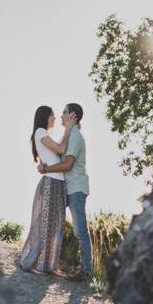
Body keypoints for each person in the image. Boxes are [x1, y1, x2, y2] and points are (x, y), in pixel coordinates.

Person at [38, 103, 92, 282]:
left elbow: (67, 164)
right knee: (57, 226)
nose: (61, 116)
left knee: (80, 231)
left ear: (72, 115)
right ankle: (49, 263)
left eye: (64, 112)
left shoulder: (75, 136)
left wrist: (45, 170)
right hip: (68, 187)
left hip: (76, 187)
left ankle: (85, 271)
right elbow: (58, 153)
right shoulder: (70, 134)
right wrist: (44, 164)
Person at [20, 105, 74, 277]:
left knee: (55, 226)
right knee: (45, 225)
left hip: (58, 183)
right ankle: (34, 263)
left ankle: (50, 265)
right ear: (44, 116)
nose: (55, 118)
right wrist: (68, 130)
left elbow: (57, 153)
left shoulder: (45, 135)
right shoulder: (40, 132)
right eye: (51, 115)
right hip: (51, 182)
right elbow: (61, 149)